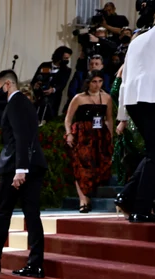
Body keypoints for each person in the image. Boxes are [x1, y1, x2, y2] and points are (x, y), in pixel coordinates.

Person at [0, 69, 48, 278]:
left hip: (17, 168)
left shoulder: (16, 103)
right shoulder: (24, 103)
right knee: (32, 215)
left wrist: (20, 169)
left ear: (8, 85)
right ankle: (35, 264)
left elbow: (21, 136)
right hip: (31, 166)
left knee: (4, 214)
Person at [116, 13, 155, 222]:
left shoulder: (138, 39)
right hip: (153, 97)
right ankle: (140, 208)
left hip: (134, 100)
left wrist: (122, 115)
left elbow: (125, 78)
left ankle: (127, 196)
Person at [64, 70, 114, 212]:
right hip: (82, 135)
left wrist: (110, 137)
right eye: (94, 81)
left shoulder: (107, 98)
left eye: (100, 81)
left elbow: (109, 119)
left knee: (98, 166)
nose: (97, 85)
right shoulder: (78, 98)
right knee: (80, 166)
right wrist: (69, 134)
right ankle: (83, 199)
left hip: (100, 135)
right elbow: (68, 119)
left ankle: (89, 196)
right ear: (88, 82)